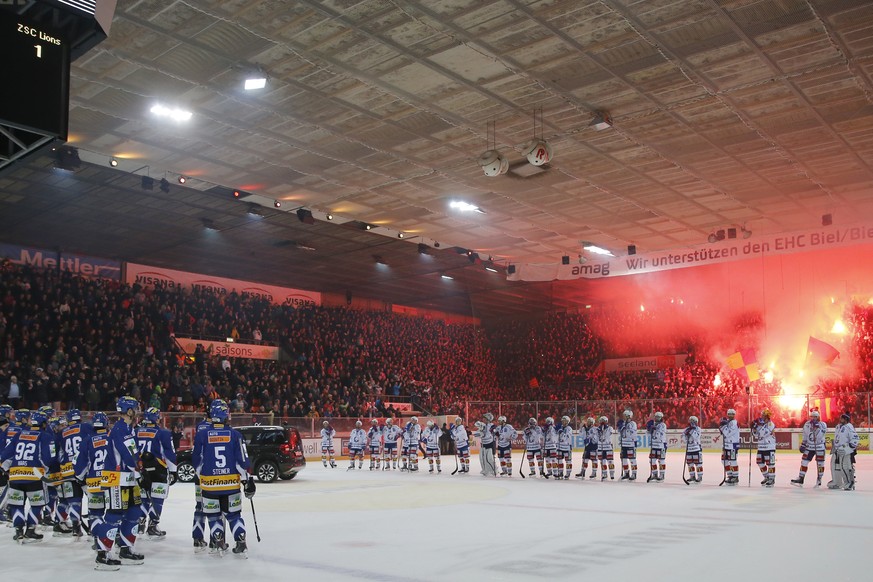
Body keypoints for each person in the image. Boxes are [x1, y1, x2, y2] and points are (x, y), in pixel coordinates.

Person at [192, 399, 252, 557]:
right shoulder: (235, 434)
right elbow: (242, 462)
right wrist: (247, 481)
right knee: (234, 515)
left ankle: (218, 542)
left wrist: (202, 477)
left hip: (209, 485)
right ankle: (241, 543)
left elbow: (196, 460)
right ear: (225, 415)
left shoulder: (202, 434)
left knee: (213, 516)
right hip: (231, 484)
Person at [92, 396, 145, 564]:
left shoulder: (129, 428)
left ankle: (126, 548)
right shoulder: (120, 429)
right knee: (114, 516)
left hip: (128, 479)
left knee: (134, 512)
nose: (137, 412)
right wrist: (139, 472)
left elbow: (134, 455)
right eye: (135, 408)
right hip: (117, 479)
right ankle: (102, 553)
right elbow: (128, 456)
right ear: (129, 411)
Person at [0, 408, 53, 543]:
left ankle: (18, 531)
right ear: (44, 424)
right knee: (37, 504)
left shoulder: (19, 434)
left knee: (17, 504)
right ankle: (30, 530)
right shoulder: (45, 436)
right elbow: (48, 458)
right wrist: (45, 470)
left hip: (16, 475)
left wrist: (6, 469)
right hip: (34, 476)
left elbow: (6, 454)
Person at [74, 412, 117, 569]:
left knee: (95, 513)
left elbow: (81, 465)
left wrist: (79, 478)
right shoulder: (112, 437)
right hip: (112, 481)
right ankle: (111, 539)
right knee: (113, 513)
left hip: (94, 482)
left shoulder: (87, 440)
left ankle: (97, 539)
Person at [136, 406, 177, 538]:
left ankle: (140, 523)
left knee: (143, 498)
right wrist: (173, 471)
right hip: (158, 469)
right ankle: (152, 526)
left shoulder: (135, 431)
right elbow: (169, 453)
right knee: (157, 498)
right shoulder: (163, 433)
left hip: (141, 468)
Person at [59, 408, 91, 538]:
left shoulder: (62, 433)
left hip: (67, 470)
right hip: (84, 469)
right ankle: (93, 524)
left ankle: (75, 526)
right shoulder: (86, 427)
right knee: (93, 499)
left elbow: (60, 454)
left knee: (74, 501)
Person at [191, 412, 212, 552]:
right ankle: (217, 539)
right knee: (215, 508)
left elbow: (196, 452)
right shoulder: (217, 429)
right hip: (212, 475)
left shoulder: (200, 427)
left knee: (199, 506)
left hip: (199, 474)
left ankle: (197, 538)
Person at [791, 409, 827, 488]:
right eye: (811, 417)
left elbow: (819, 437)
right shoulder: (807, 424)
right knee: (804, 462)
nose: (812, 418)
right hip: (809, 447)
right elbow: (805, 435)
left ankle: (819, 479)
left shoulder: (823, 424)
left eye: (814, 417)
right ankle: (801, 478)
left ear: (818, 417)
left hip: (819, 447)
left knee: (820, 464)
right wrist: (803, 444)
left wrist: (817, 428)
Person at [828, 413, 859, 491]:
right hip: (838, 450)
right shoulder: (839, 427)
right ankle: (840, 482)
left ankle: (849, 482)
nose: (840, 420)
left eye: (842, 418)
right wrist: (834, 446)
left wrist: (848, 449)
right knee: (838, 466)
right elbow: (837, 438)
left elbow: (855, 439)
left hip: (845, 450)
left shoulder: (849, 427)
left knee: (845, 466)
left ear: (846, 419)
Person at [752, 409, 776, 487]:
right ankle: (766, 476)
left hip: (769, 447)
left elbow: (763, 434)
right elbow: (755, 435)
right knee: (759, 462)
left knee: (770, 463)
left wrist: (759, 426)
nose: (761, 417)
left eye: (763, 415)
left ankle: (772, 478)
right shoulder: (760, 424)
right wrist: (754, 428)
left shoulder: (770, 424)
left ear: (766, 416)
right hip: (761, 447)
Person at [719, 409, 741, 485]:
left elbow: (728, 433)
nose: (730, 415)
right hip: (727, 445)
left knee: (733, 461)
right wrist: (722, 426)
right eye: (729, 414)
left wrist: (722, 427)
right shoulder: (728, 422)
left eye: (732, 414)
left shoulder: (734, 423)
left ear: (734, 415)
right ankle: (730, 475)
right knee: (723, 460)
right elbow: (723, 433)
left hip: (733, 445)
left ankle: (735, 477)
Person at [617, 410, 638, 481]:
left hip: (630, 444)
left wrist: (624, 427)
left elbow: (631, 432)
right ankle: (626, 473)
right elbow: (620, 433)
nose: (624, 417)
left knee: (632, 459)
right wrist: (620, 428)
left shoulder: (633, 424)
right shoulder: (623, 423)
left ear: (629, 416)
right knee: (623, 459)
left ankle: (634, 473)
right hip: (624, 445)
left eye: (625, 416)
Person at [646, 412, 667, 483]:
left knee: (661, 460)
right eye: (656, 417)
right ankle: (654, 474)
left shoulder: (663, 425)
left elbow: (659, 433)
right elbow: (648, 433)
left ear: (661, 417)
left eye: (658, 417)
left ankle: (662, 475)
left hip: (661, 445)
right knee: (652, 460)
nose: (657, 418)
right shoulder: (654, 424)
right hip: (654, 445)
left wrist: (654, 428)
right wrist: (648, 429)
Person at [683, 416, 703, 483]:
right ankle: (692, 476)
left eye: (693, 421)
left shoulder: (698, 429)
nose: (692, 423)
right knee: (690, 464)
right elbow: (684, 439)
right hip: (689, 449)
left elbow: (696, 437)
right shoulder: (686, 429)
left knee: (698, 464)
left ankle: (699, 477)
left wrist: (691, 431)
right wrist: (686, 434)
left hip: (696, 449)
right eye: (691, 421)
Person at [595, 416, 615, 481]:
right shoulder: (598, 429)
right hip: (601, 447)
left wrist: (604, 429)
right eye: (601, 421)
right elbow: (596, 438)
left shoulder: (610, 428)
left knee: (610, 461)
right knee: (602, 461)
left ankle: (612, 473)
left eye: (603, 421)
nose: (602, 422)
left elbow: (609, 434)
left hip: (608, 447)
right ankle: (604, 473)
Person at [555, 416, 574, 480]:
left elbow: (567, 437)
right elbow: (556, 437)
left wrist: (562, 432)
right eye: (562, 421)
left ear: (567, 422)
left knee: (568, 461)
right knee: (559, 460)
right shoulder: (560, 428)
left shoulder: (569, 428)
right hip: (560, 447)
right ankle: (560, 472)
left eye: (564, 421)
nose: (563, 422)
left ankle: (568, 473)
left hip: (567, 448)